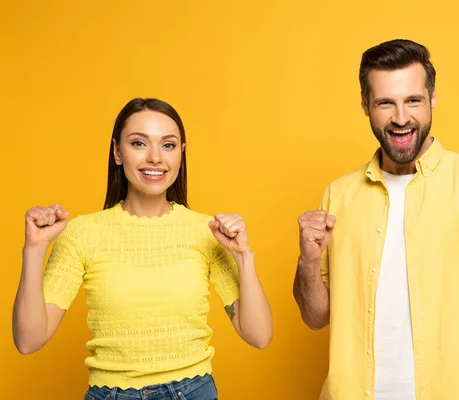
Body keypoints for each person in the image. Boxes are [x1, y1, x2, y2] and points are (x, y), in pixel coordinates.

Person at [293, 39, 459, 400]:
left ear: (432, 99)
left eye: (413, 100)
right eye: (386, 102)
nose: (401, 118)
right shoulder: (338, 195)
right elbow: (315, 316)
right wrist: (307, 259)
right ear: (366, 105)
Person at [12, 98, 273, 400]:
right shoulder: (82, 233)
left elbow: (260, 335)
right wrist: (33, 249)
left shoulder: (208, 232)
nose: (154, 158)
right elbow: (28, 341)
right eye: (138, 143)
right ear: (117, 152)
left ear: (181, 154)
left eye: (168, 145)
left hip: (192, 392)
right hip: (112, 394)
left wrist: (243, 256)